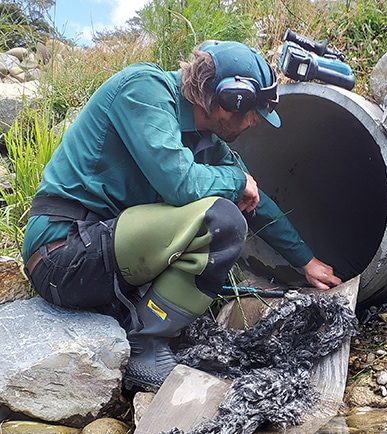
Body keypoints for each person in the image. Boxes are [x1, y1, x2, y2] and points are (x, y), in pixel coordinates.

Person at [21, 40, 342, 391]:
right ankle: (145, 345)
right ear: (228, 99)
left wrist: (306, 261)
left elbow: (256, 200)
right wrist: (235, 181)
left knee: (230, 209)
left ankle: (141, 325)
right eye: (253, 112)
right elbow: (182, 184)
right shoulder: (144, 90)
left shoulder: (205, 141)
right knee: (221, 221)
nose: (253, 123)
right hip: (63, 254)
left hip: (108, 253)